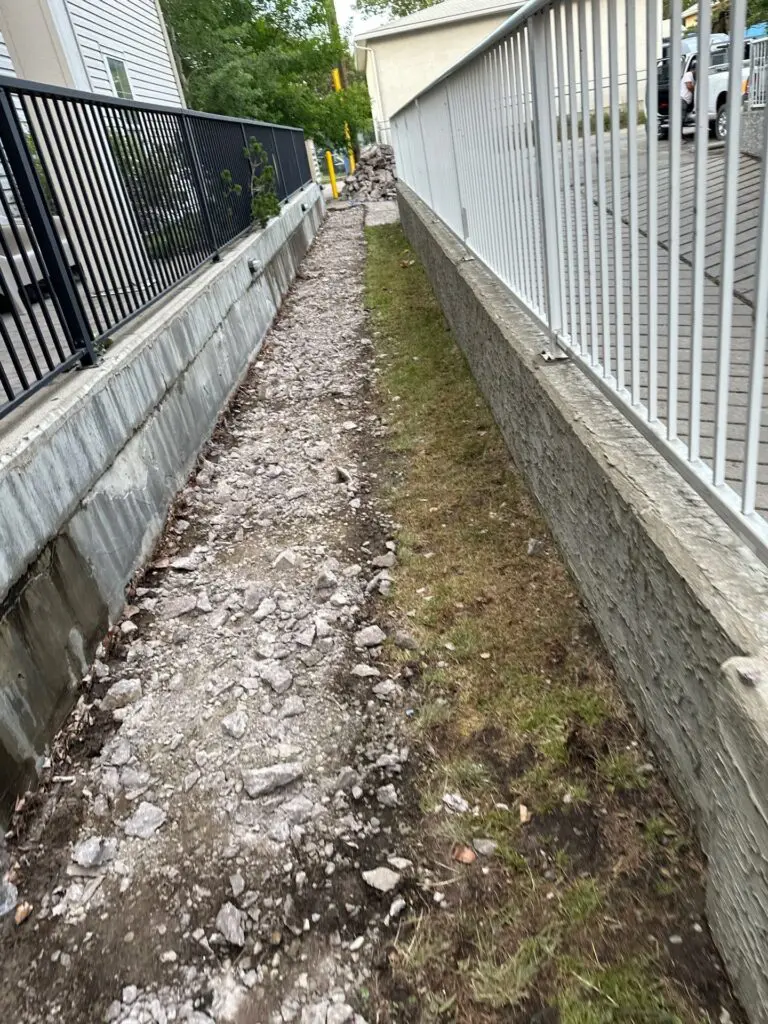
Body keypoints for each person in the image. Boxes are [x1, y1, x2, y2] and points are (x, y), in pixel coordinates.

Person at [680, 64, 696, 138]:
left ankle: (681, 135)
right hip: (683, 100)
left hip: (685, 101)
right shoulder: (688, 74)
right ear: (694, 69)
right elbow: (689, 86)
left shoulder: (691, 76)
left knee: (682, 119)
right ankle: (680, 136)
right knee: (681, 119)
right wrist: (696, 91)